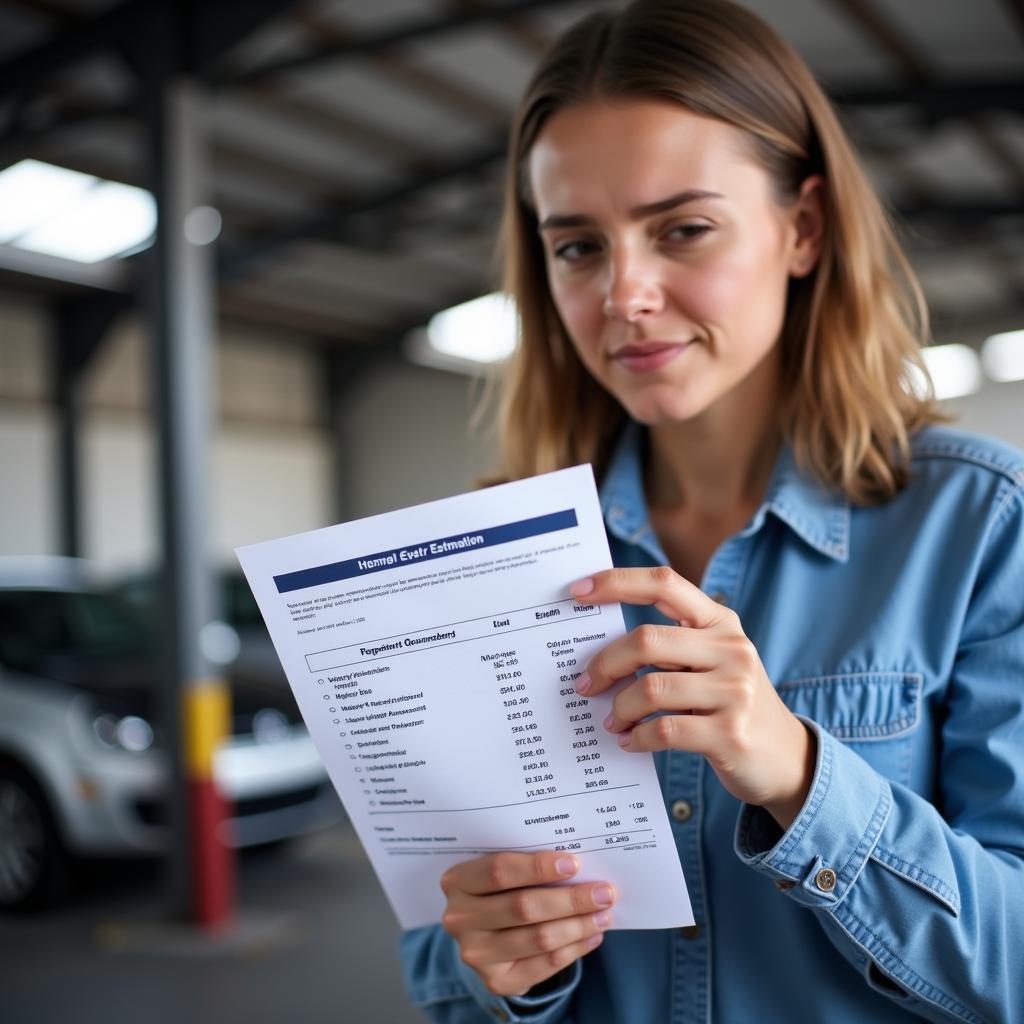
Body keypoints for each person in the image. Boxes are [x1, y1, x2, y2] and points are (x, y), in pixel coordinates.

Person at [399, 1, 1024, 1021]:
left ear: (803, 228)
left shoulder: (980, 525)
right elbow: (436, 968)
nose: (624, 295)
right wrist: (508, 969)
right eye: (577, 248)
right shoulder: (490, 559)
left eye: (681, 229)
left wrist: (798, 772)